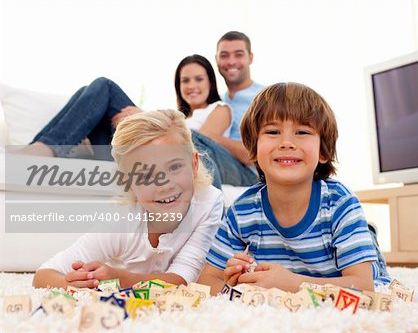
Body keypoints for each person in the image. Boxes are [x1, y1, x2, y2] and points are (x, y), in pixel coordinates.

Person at [197, 82, 391, 295]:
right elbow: (207, 281)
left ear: (323, 151)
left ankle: (366, 234)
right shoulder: (242, 210)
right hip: (288, 273)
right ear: (252, 150)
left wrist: (291, 283)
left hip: (344, 268)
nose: (287, 142)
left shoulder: (340, 203)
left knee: (375, 271)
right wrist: (235, 284)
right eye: (272, 131)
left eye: (302, 131)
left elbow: (364, 287)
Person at [32, 109, 224, 289]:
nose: (165, 184)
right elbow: (43, 275)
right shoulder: (120, 223)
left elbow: (182, 280)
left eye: (174, 167)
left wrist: (119, 278)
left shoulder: (209, 202)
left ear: (194, 164)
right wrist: (74, 284)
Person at [23, 54, 231, 188]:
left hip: (159, 161)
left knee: (104, 87)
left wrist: (146, 116)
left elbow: (196, 143)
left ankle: (46, 148)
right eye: (185, 80)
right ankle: (38, 147)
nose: (191, 86)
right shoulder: (183, 116)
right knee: (88, 95)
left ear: (211, 82)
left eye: (198, 79)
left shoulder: (219, 109)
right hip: (127, 158)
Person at [190, 31, 265, 186]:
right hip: (221, 165)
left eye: (238, 54)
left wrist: (211, 137)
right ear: (216, 60)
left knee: (191, 137)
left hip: (251, 174)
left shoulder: (264, 97)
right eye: (224, 55)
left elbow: (256, 155)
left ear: (250, 58)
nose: (231, 62)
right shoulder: (218, 103)